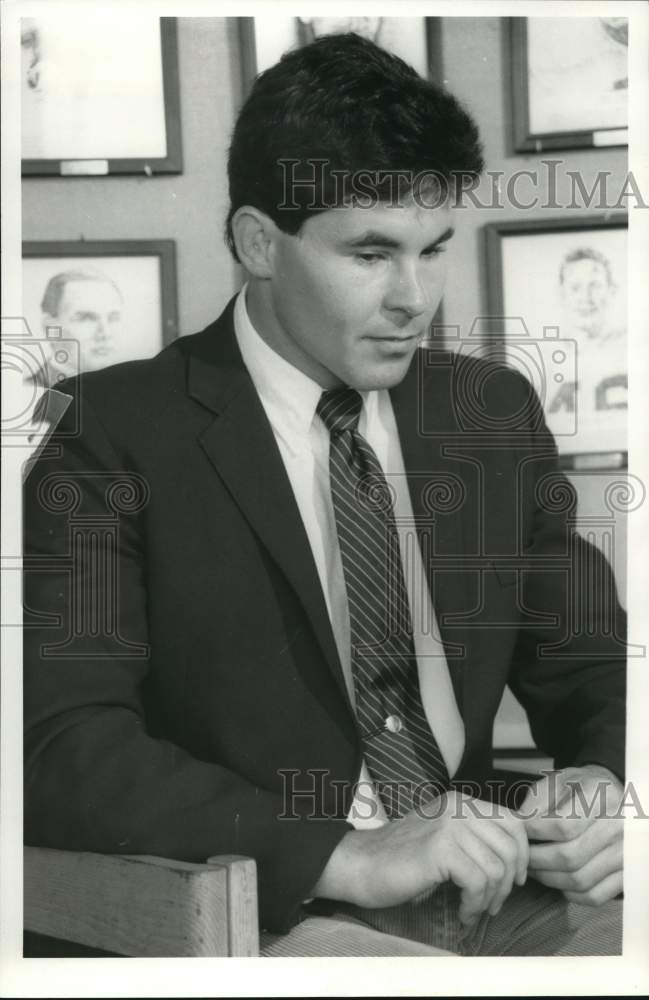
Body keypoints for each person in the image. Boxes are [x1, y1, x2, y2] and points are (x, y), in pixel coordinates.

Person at [23, 33, 626, 957]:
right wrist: (341, 853)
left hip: (500, 883)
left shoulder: (488, 413)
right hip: (266, 911)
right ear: (258, 243)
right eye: (371, 254)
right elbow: (57, 744)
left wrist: (596, 776)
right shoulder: (108, 433)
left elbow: (590, 663)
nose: (414, 299)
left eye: (433, 250)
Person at [28, 269, 124, 387]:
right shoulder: (26, 395)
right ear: (51, 329)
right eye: (86, 318)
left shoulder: (126, 387)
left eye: (113, 318)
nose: (105, 333)